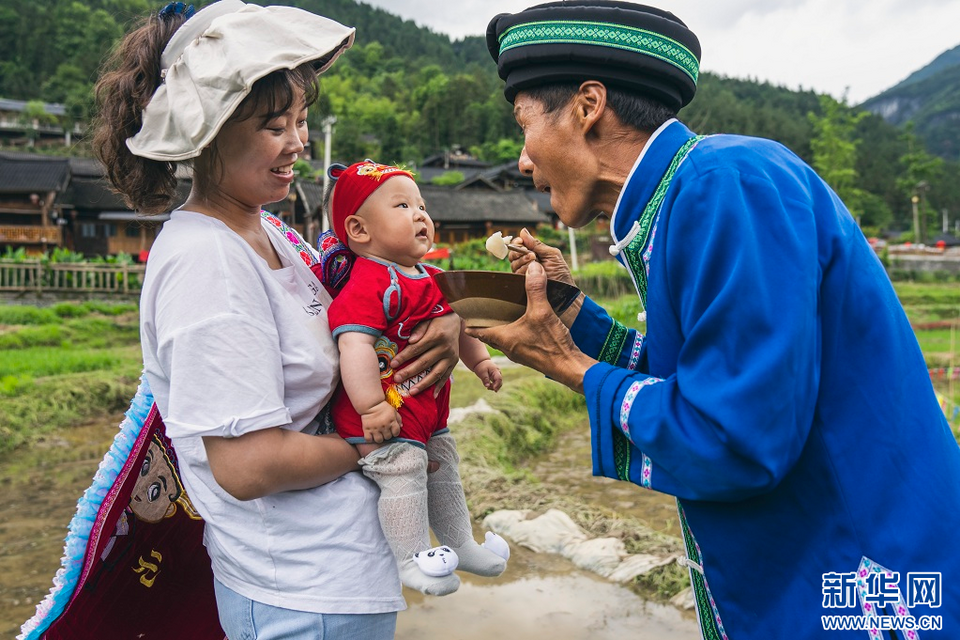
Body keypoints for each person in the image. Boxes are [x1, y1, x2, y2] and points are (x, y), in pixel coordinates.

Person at [472, 1, 960, 638]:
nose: (524, 161)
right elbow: (707, 378)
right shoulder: (688, 194)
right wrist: (571, 315)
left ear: (588, 107)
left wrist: (567, 364)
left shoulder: (726, 184)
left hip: (860, 579)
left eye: (524, 124)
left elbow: (736, 436)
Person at [92, 2, 465, 638]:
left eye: (300, 120)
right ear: (208, 131)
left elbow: (374, 294)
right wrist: (380, 447)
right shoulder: (207, 261)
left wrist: (445, 326)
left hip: (337, 576)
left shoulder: (271, 235)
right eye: (273, 126)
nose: (299, 142)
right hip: (300, 592)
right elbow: (249, 465)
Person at [322, 160, 510, 597]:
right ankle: (409, 559)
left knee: (444, 470)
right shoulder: (372, 282)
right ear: (360, 230)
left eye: (422, 206)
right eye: (403, 205)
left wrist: (480, 361)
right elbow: (354, 346)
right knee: (404, 472)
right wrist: (371, 406)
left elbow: (459, 322)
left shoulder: (432, 277)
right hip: (385, 414)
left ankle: (458, 542)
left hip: (426, 414)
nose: (421, 214)